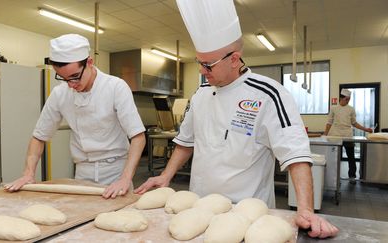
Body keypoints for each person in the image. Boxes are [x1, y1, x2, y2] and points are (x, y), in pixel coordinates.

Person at [135, 0, 338, 238]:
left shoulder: (269, 94)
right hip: (197, 208)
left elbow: (296, 154)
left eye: (208, 65)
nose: (202, 70)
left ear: (234, 59)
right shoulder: (200, 95)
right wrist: (166, 175)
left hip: (248, 213)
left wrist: (305, 209)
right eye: (199, 63)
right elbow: (185, 143)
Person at [4, 34, 146, 198]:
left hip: (116, 171)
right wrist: (28, 173)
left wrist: (125, 179)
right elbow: (39, 136)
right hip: (82, 173)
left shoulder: (115, 87)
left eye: (75, 77)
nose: (71, 84)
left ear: (90, 63)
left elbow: (138, 137)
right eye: (64, 79)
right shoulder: (60, 93)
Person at [323, 88, 373, 185]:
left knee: (351, 156)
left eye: (349, 99)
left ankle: (352, 176)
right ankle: (335, 178)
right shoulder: (334, 109)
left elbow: (354, 123)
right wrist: (325, 135)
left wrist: (365, 129)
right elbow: (329, 122)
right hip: (335, 135)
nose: (348, 101)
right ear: (341, 98)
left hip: (347, 135)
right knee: (334, 157)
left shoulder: (351, 109)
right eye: (346, 99)